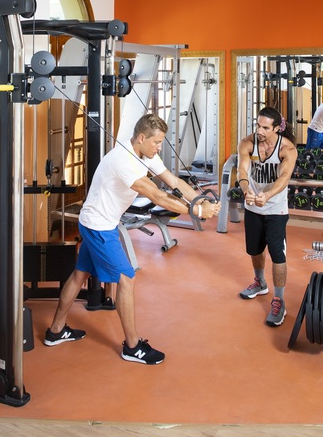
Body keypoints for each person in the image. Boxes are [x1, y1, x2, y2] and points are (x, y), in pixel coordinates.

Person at [44, 113, 220, 364]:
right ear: (141, 138)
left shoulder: (146, 154)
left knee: (80, 274)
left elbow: (173, 181)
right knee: (127, 278)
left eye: (161, 142)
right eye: (156, 142)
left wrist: (199, 200)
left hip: (97, 222)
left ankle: (56, 330)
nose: (159, 147)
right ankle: (132, 346)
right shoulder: (122, 161)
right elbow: (157, 196)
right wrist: (199, 212)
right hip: (98, 227)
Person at [236, 106, 297, 327]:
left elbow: (284, 177)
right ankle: (260, 282)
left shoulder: (287, 149)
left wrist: (268, 195)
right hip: (253, 205)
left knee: (277, 254)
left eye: (265, 128)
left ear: (276, 128)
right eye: (258, 125)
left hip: (275, 209)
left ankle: (279, 300)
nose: (259, 131)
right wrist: (246, 191)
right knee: (254, 249)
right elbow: (242, 171)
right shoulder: (247, 143)